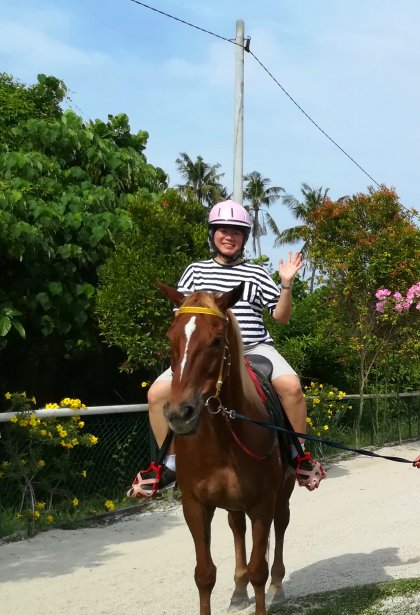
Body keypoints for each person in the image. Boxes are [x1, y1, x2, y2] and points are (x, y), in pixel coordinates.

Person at [128, 200, 325, 498]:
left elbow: (281, 317)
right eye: (223, 230)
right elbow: (184, 318)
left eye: (236, 231)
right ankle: (167, 464)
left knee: (291, 387)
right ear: (213, 234)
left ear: (244, 238)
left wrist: (286, 285)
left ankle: (298, 456)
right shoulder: (195, 271)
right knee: (156, 394)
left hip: (254, 348)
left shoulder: (257, 273)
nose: (229, 236)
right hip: (204, 352)